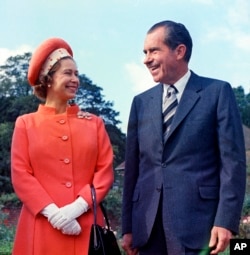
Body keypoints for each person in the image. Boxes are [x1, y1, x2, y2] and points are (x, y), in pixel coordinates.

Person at [122, 20, 246, 255]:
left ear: (179, 51)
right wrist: (128, 226)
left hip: (199, 225)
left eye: (154, 50)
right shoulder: (140, 103)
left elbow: (233, 163)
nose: (146, 59)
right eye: (145, 52)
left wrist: (225, 220)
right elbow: (133, 171)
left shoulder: (217, 93)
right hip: (146, 229)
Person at [11, 37, 114, 255]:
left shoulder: (94, 123)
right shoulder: (26, 124)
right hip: (40, 225)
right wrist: (53, 214)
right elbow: (21, 174)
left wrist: (77, 208)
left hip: (86, 226)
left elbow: (104, 172)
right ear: (48, 78)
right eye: (67, 73)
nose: (75, 79)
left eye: (76, 74)